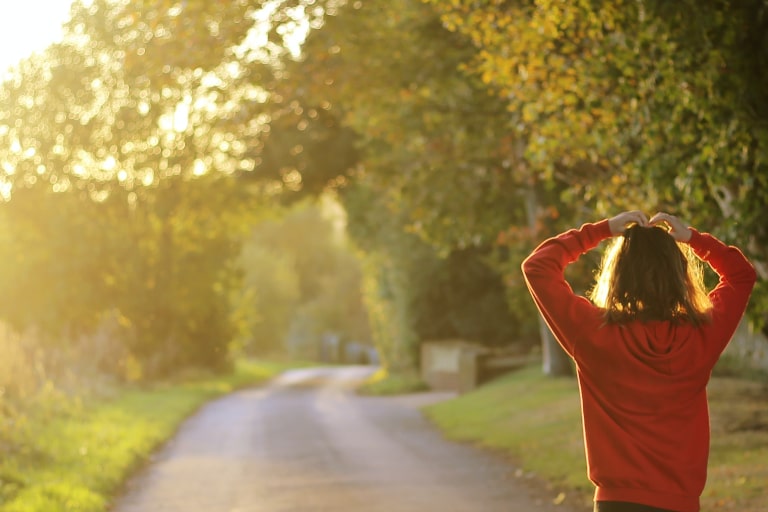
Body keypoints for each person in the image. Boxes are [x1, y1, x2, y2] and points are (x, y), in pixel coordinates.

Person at [521, 210, 757, 512]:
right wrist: (692, 239)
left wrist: (601, 230)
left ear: (619, 274)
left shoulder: (593, 334)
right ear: (679, 275)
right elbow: (741, 274)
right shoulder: (700, 337)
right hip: (680, 504)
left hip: (615, 503)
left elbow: (538, 267)